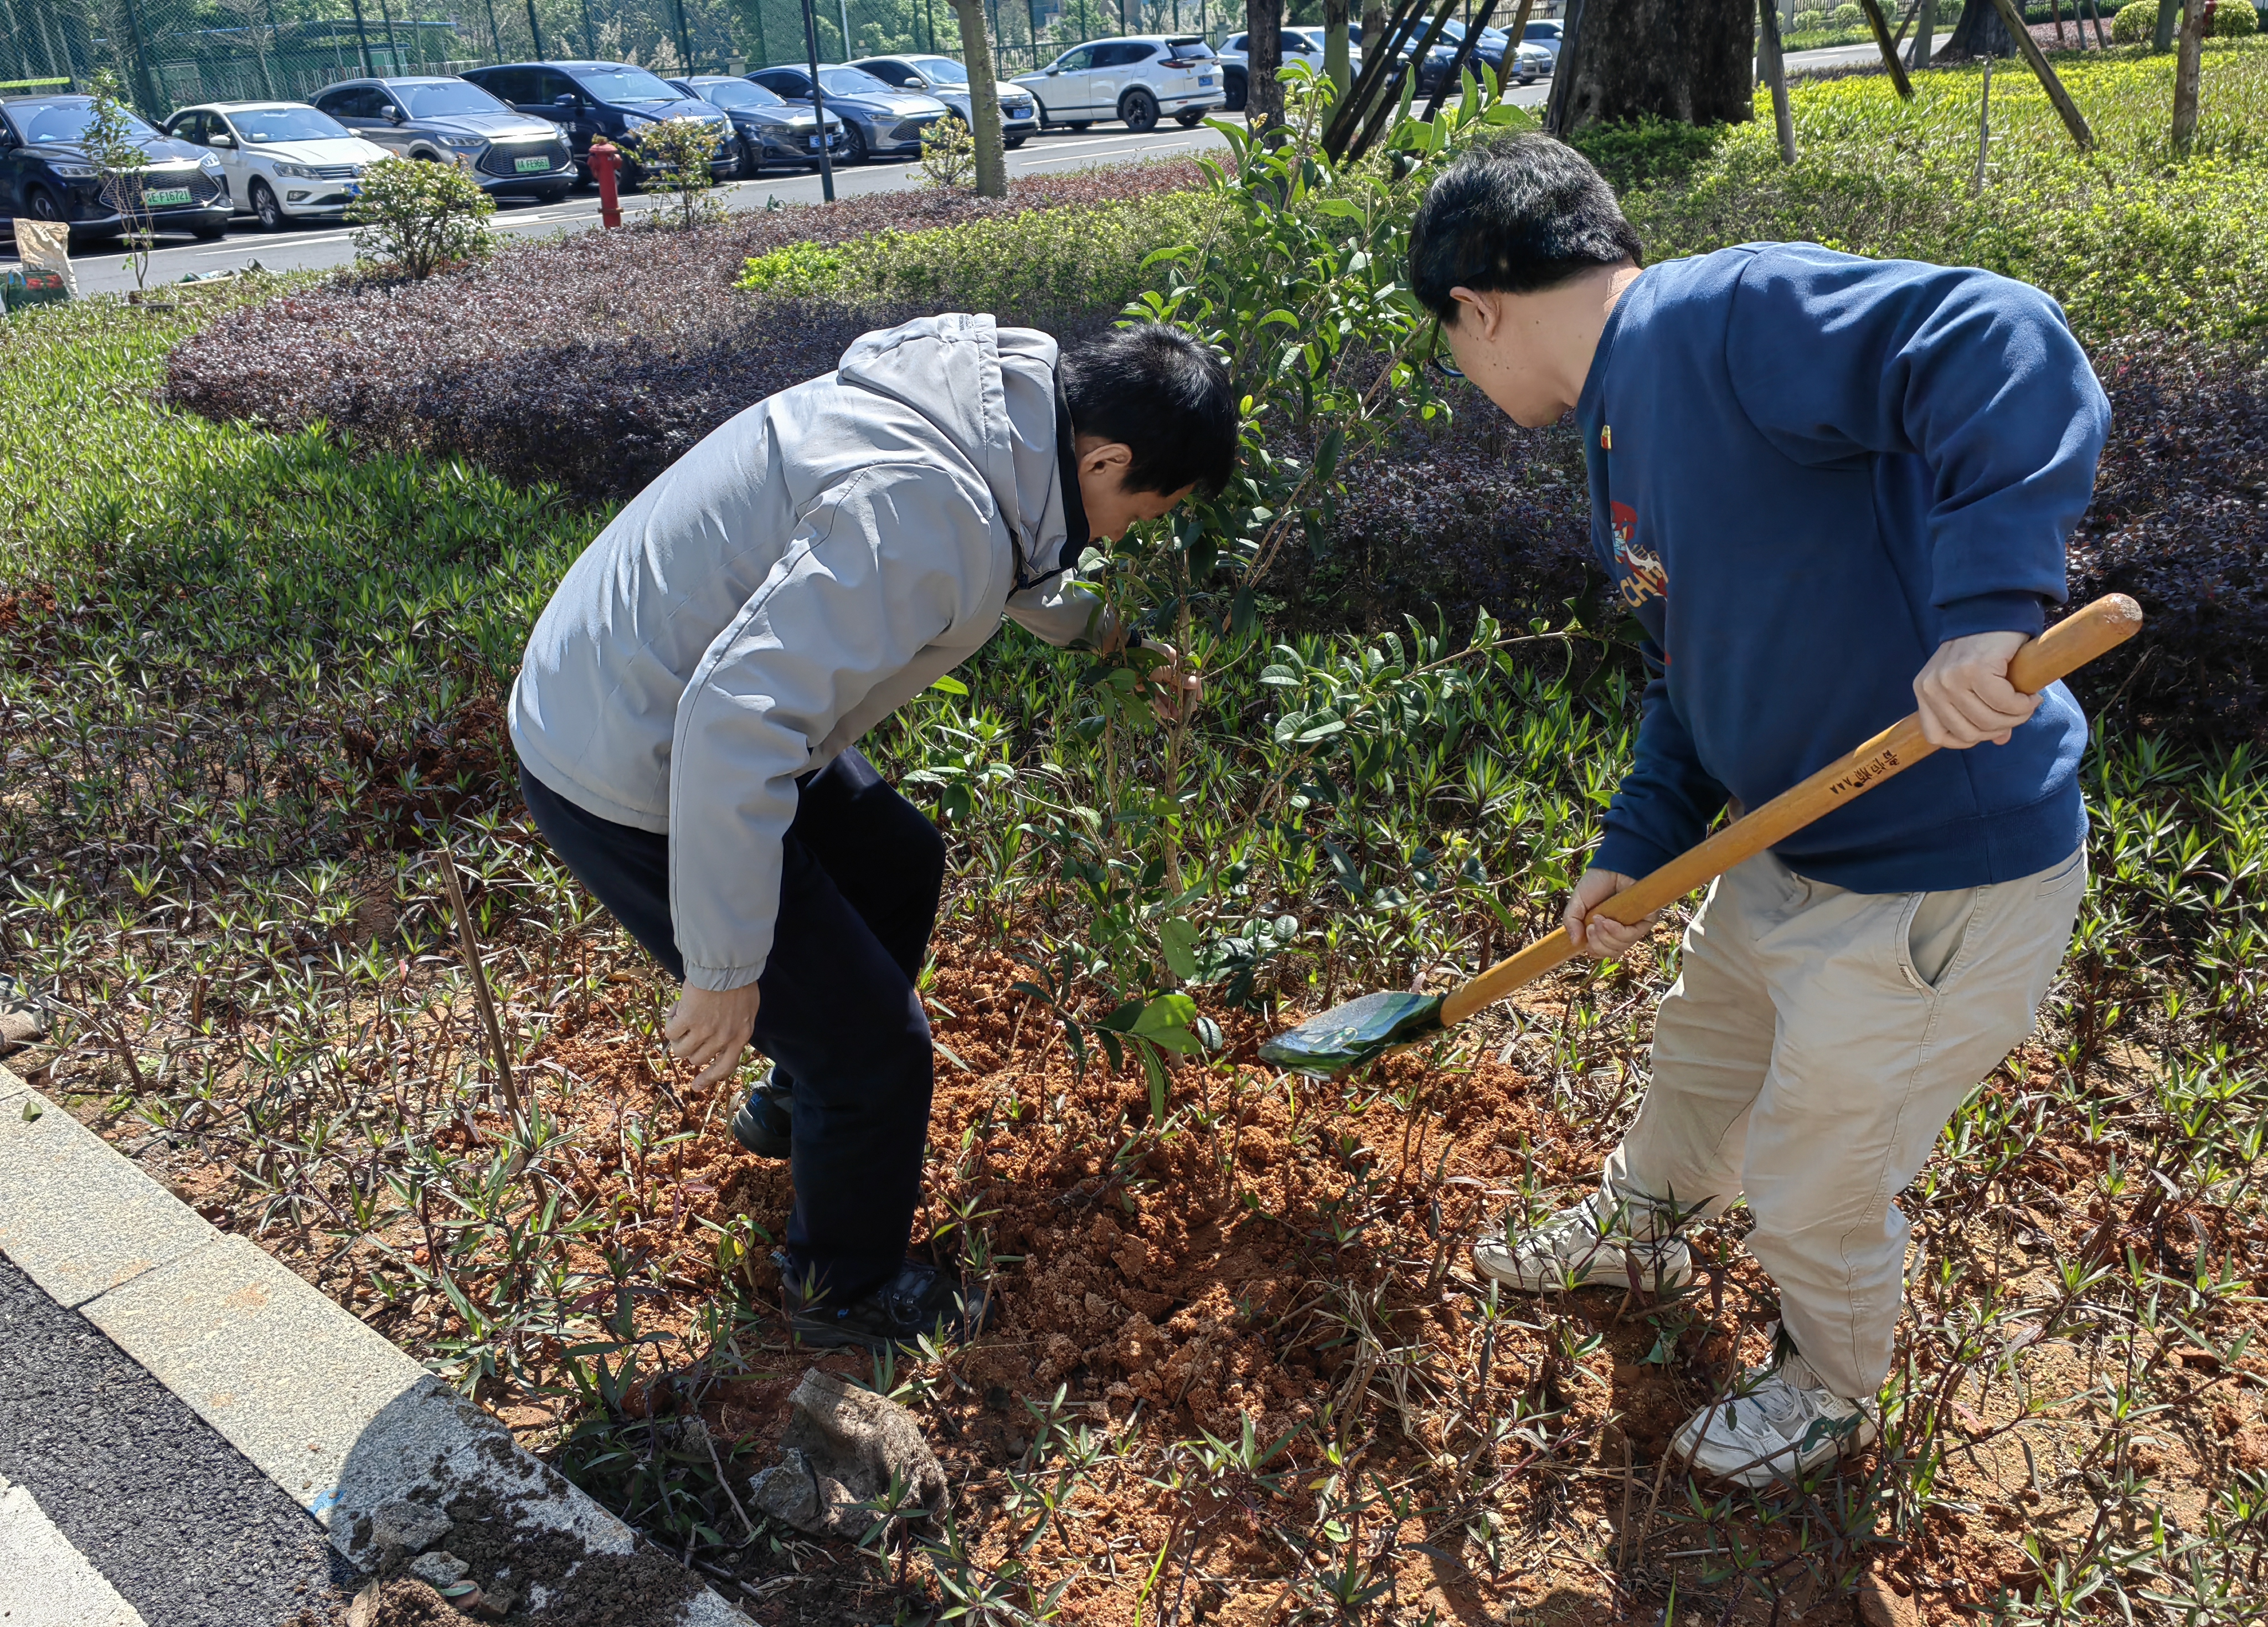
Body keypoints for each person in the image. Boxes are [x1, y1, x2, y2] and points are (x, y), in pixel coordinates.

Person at [1409, 136, 2107, 1486]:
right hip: (1786, 844)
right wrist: (1629, 853)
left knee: (1815, 1173)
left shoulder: (1716, 320)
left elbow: (1999, 334)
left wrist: (1984, 614)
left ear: (1476, 308)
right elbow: (1690, 671)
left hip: (1931, 878)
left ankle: (1832, 1386)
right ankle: (1642, 1221)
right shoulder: (1623, 418)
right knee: (1701, 1060)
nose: (1464, 373)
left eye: (1449, 345)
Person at [509, 314, 1236, 1350]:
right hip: (634, 761)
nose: (1125, 533)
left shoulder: (992, 421)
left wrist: (1115, 640)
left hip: (656, 689)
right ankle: (842, 1293)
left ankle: (798, 1100)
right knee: (879, 1050)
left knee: (896, 859)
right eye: (1140, 510)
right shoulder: (926, 508)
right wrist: (724, 968)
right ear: (1107, 458)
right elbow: (730, 726)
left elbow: (1019, 554)